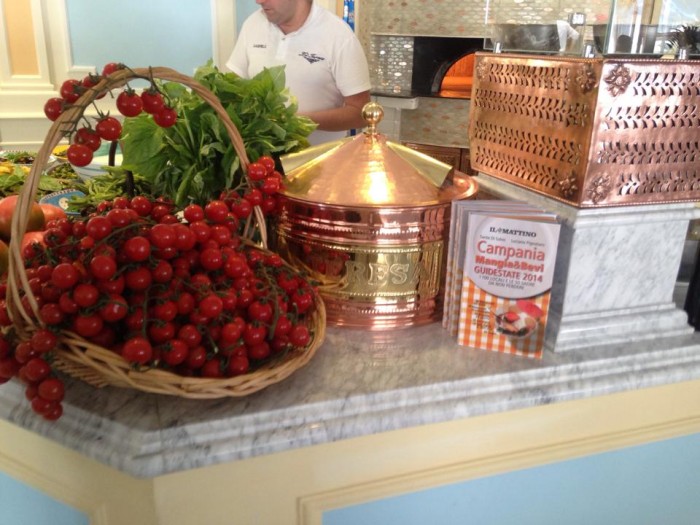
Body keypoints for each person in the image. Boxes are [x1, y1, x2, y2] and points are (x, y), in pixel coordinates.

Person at [226, 0, 371, 145]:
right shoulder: (252, 24)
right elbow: (233, 86)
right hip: (262, 156)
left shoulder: (339, 36)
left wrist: (295, 121)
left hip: (320, 156)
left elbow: (360, 113)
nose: (259, 1)